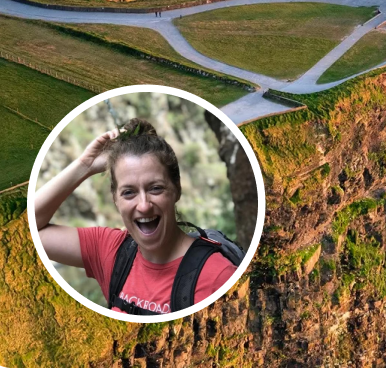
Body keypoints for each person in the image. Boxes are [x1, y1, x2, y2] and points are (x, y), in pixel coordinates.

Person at [34, 117, 237, 316]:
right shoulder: (109, 250)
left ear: (177, 190)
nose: (144, 205)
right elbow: (29, 228)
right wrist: (85, 166)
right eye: (128, 192)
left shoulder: (218, 276)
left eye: (156, 188)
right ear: (115, 199)